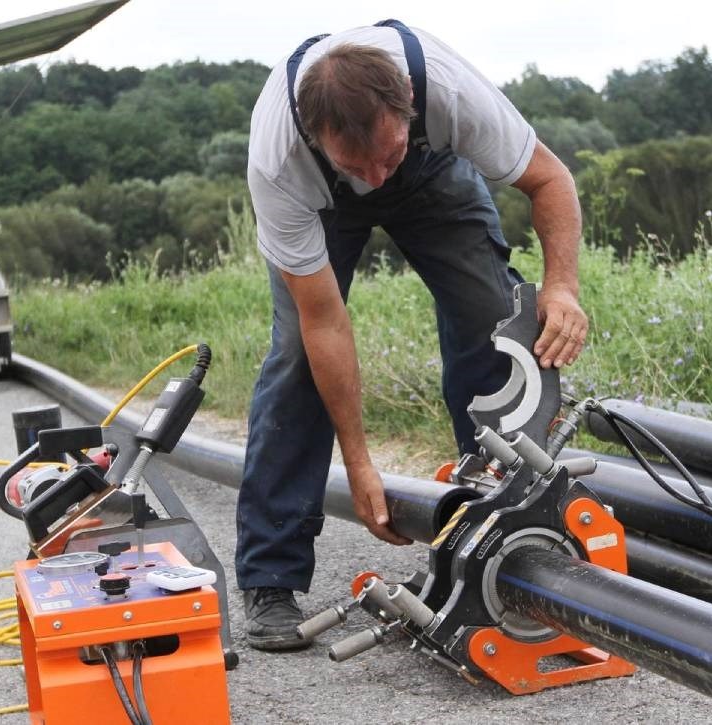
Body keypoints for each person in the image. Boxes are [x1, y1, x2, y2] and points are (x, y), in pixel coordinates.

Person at [237, 19, 588, 651]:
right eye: (357, 163)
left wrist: (561, 287)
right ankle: (271, 574)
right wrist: (359, 462)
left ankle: (504, 526)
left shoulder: (448, 90)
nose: (374, 177)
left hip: (433, 177)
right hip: (321, 203)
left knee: (492, 320)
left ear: (408, 101)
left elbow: (549, 179)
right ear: (316, 136)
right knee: (294, 358)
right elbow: (324, 323)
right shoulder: (279, 159)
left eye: (387, 154)